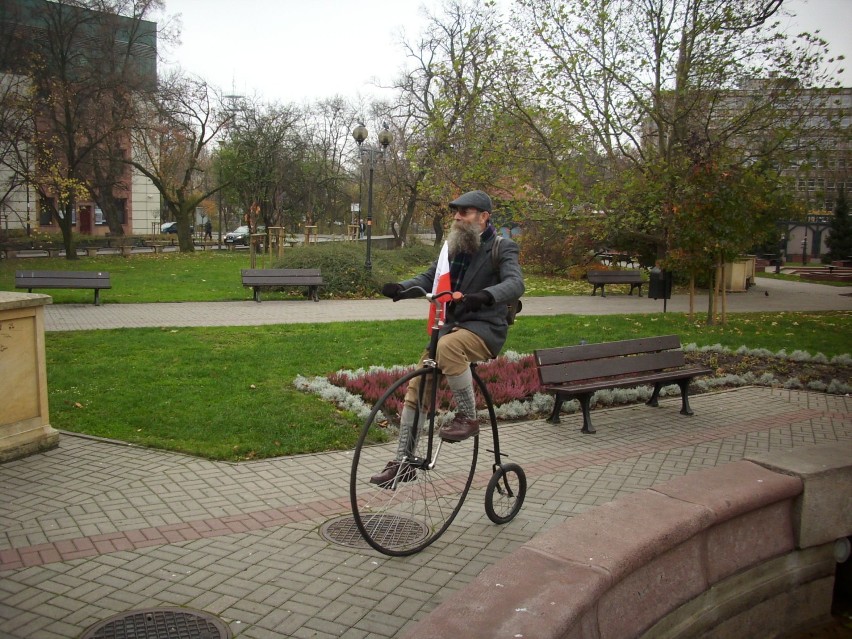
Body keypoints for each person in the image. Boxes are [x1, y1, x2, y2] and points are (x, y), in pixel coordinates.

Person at [370, 189, 525, 486]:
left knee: (448, 346)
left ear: (483, 217)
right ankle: (404, 461)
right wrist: (401, 288)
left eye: (464, 212)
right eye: (455, 211)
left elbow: (515, 283)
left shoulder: (503, 248)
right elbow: (430, 278)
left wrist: (484, 296)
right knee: (417, 388)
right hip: (451, 326)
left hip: (484, 329)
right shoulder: (453, 248)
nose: (456, 217)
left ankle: (468, 417)